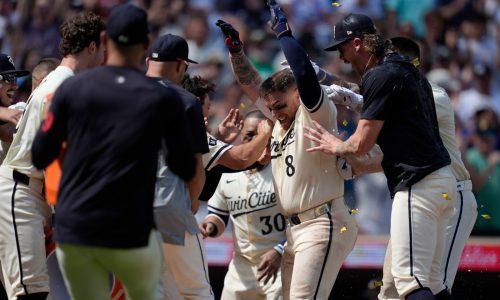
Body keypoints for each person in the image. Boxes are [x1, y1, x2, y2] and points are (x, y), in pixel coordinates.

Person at [30, 4, 196, 300]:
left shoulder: (71, 90)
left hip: (77, 227)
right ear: (145, 45)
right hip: (130, 228)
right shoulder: (164, 99)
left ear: (105, 42)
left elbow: (40, 154)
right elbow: (185, 166)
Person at [304, 13, 456, 300]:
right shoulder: (407, 71)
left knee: (407, 280)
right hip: (442, 184)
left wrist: (335, 145)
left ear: (358, 43)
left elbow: (360, 143)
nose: (342, 57)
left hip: (418, 186)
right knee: (432, 283)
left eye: (342, 48)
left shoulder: (380, 75)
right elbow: (383, 113)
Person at [218, 1, 359, 298]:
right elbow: (251, 83)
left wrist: (283, 33)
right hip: (294, 231)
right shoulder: (280, 118)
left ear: (297, 94)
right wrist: (235, 52)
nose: (275, 112)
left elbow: (305, 75)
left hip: (322, 221)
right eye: (271, 107)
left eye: (280, 105)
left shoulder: (314, 111)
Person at [0, 12, 105, 300]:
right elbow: (55, 156)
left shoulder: (59, 81)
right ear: (92, 47)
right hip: (20, 190)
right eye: (103, 46)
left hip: (27, 193)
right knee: (30, 294)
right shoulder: (62, 85)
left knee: (30, 291)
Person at [145, 33, 213, 300]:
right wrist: (192, 201)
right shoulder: (186, 101)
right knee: (195, 291)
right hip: (169, 206)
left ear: (148, 60)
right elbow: (196, 171)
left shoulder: (119, 94)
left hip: (125, 210)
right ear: (180, 64)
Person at [199, 110, 285, 300]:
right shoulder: (227, 174)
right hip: (241, 271)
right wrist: (209, 226)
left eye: (259, 134)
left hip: (279, 267)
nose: (254, 140)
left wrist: (280, 250)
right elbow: (218, 216)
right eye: (248, 135)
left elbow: (303, 221)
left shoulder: (283, 170)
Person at [0, 54, 29, 163]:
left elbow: (9, 132)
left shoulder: (17, 108)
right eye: (9, 79)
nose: (15, 86)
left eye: (15, 79)